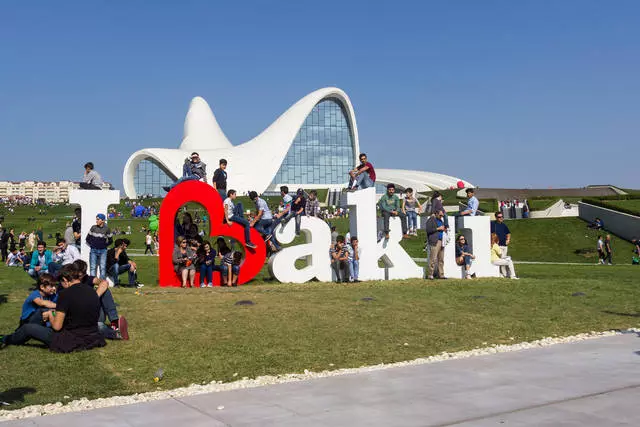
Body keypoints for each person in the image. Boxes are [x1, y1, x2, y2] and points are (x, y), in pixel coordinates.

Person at [1, 264, 108, 352]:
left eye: (60, 282)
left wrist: (51, 315)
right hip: (93, 336)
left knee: (27, 328)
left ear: (65, 280)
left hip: (72, 339)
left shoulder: (65, 294)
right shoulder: (92, 291)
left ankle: (5, 338)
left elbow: (57, 327)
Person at [73, 259, 127, 339]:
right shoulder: (68, 283)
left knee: (105, 290)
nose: (79, 278)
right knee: (99, 326)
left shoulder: (88, 279)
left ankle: (114, 322)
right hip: (84, 315)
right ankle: (116, 333)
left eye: (81, 275)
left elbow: (104, 282)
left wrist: (93, 297)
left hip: (94, 310)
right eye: (77, 275)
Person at [86, 213, 112, 279]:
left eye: (98, 219)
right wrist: (92, 245)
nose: (96, 221)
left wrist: (104, 245)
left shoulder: (107, 229)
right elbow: (87, 238)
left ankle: (101, 283)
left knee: (102, 267)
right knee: (92, 267)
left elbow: (111, 240)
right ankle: (92, 283)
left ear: (103, 220)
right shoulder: (93, 227)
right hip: (93, 250)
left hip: (103, 251)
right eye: (96, 219)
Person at [426, 209, 446, 279]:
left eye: (442, 215)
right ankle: (430, 274)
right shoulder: (431, 220)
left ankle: (441, 274)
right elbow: (428, 230)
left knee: (441, 259)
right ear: (436, 214)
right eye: (440, 215)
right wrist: (438, 228)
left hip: (442, 241)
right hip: (435, 241)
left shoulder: (441, 220)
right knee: (433, 259)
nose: (441, 216)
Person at [490, 211, 511, 276]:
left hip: (504, 245)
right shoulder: (493, 224)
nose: (501, 218)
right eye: (499, 217)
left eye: (502, 217)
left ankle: (506, 274)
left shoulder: (504, 225)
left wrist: (508, 239)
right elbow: (491, 233)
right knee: (501, 260)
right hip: (497, 246)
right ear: (496, 217)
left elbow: (508, 233)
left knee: (504, 260)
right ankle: (503, 274)